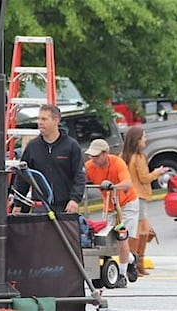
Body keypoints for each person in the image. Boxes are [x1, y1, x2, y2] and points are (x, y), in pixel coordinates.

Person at [12, 104, 86, 213]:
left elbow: (79, 175)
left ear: (56, 120)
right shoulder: (32, 146)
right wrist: (18, 204)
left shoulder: (71, 146)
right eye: (39, 119)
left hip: (65, 207)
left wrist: (74, 199)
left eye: (44, 119)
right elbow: (23, 177)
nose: (40, 122)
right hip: (40, 206)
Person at [85, 138, 140, 288]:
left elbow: (128, 184)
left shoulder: (117, 163)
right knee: (110, 240)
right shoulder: (90, 166)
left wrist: (113, 186)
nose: (93, 159)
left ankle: (121, 276)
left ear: (106, 153)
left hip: (127, 203)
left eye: (96, 156)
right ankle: (130, 259)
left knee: (122, 237)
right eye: (91, 156)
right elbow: (80, 179)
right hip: (110, 205)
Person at [120, 127, 167, 276]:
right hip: (139, 196)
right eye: (143, 138)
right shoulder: (139, 157)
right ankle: (137, 263)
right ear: (137, 140)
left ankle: (133, 262)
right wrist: (157, 172)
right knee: (142, 230)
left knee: (133, 229)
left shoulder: (123, 156)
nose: (145, 140)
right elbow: (145, 178)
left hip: (127, 196)